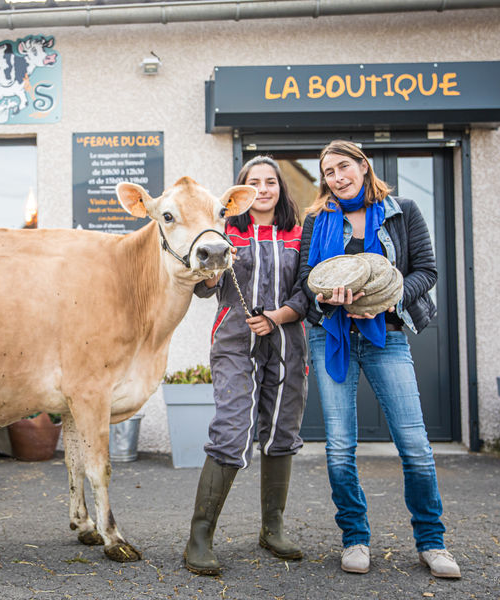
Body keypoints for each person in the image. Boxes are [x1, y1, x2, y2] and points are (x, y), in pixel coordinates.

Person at [297, 140, 460, 579]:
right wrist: (325, 298)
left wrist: (389, 300)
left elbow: (426, 271)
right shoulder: (317, 219)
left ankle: (432, 542)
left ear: (363, 165)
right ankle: (354, 538)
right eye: (328, 172)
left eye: (343, 167)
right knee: (339, 447)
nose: (337, 178)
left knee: (415, 445)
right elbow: (305, 279)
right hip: (331, 337)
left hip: (386, 336)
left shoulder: (402, 211)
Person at [184, 155, 308, 576]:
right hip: (235, 344)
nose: (263, 189)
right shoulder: (225, 232)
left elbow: (307, 291)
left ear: (280, 188)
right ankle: (199, 537)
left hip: (288, 345)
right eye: (254, 182)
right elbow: (205, 288)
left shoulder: (298, 234)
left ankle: (273, 529)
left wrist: (277, 317)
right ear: (242, 190)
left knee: (281, 433)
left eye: (270, 181)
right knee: (232, 429)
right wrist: (212, 270)